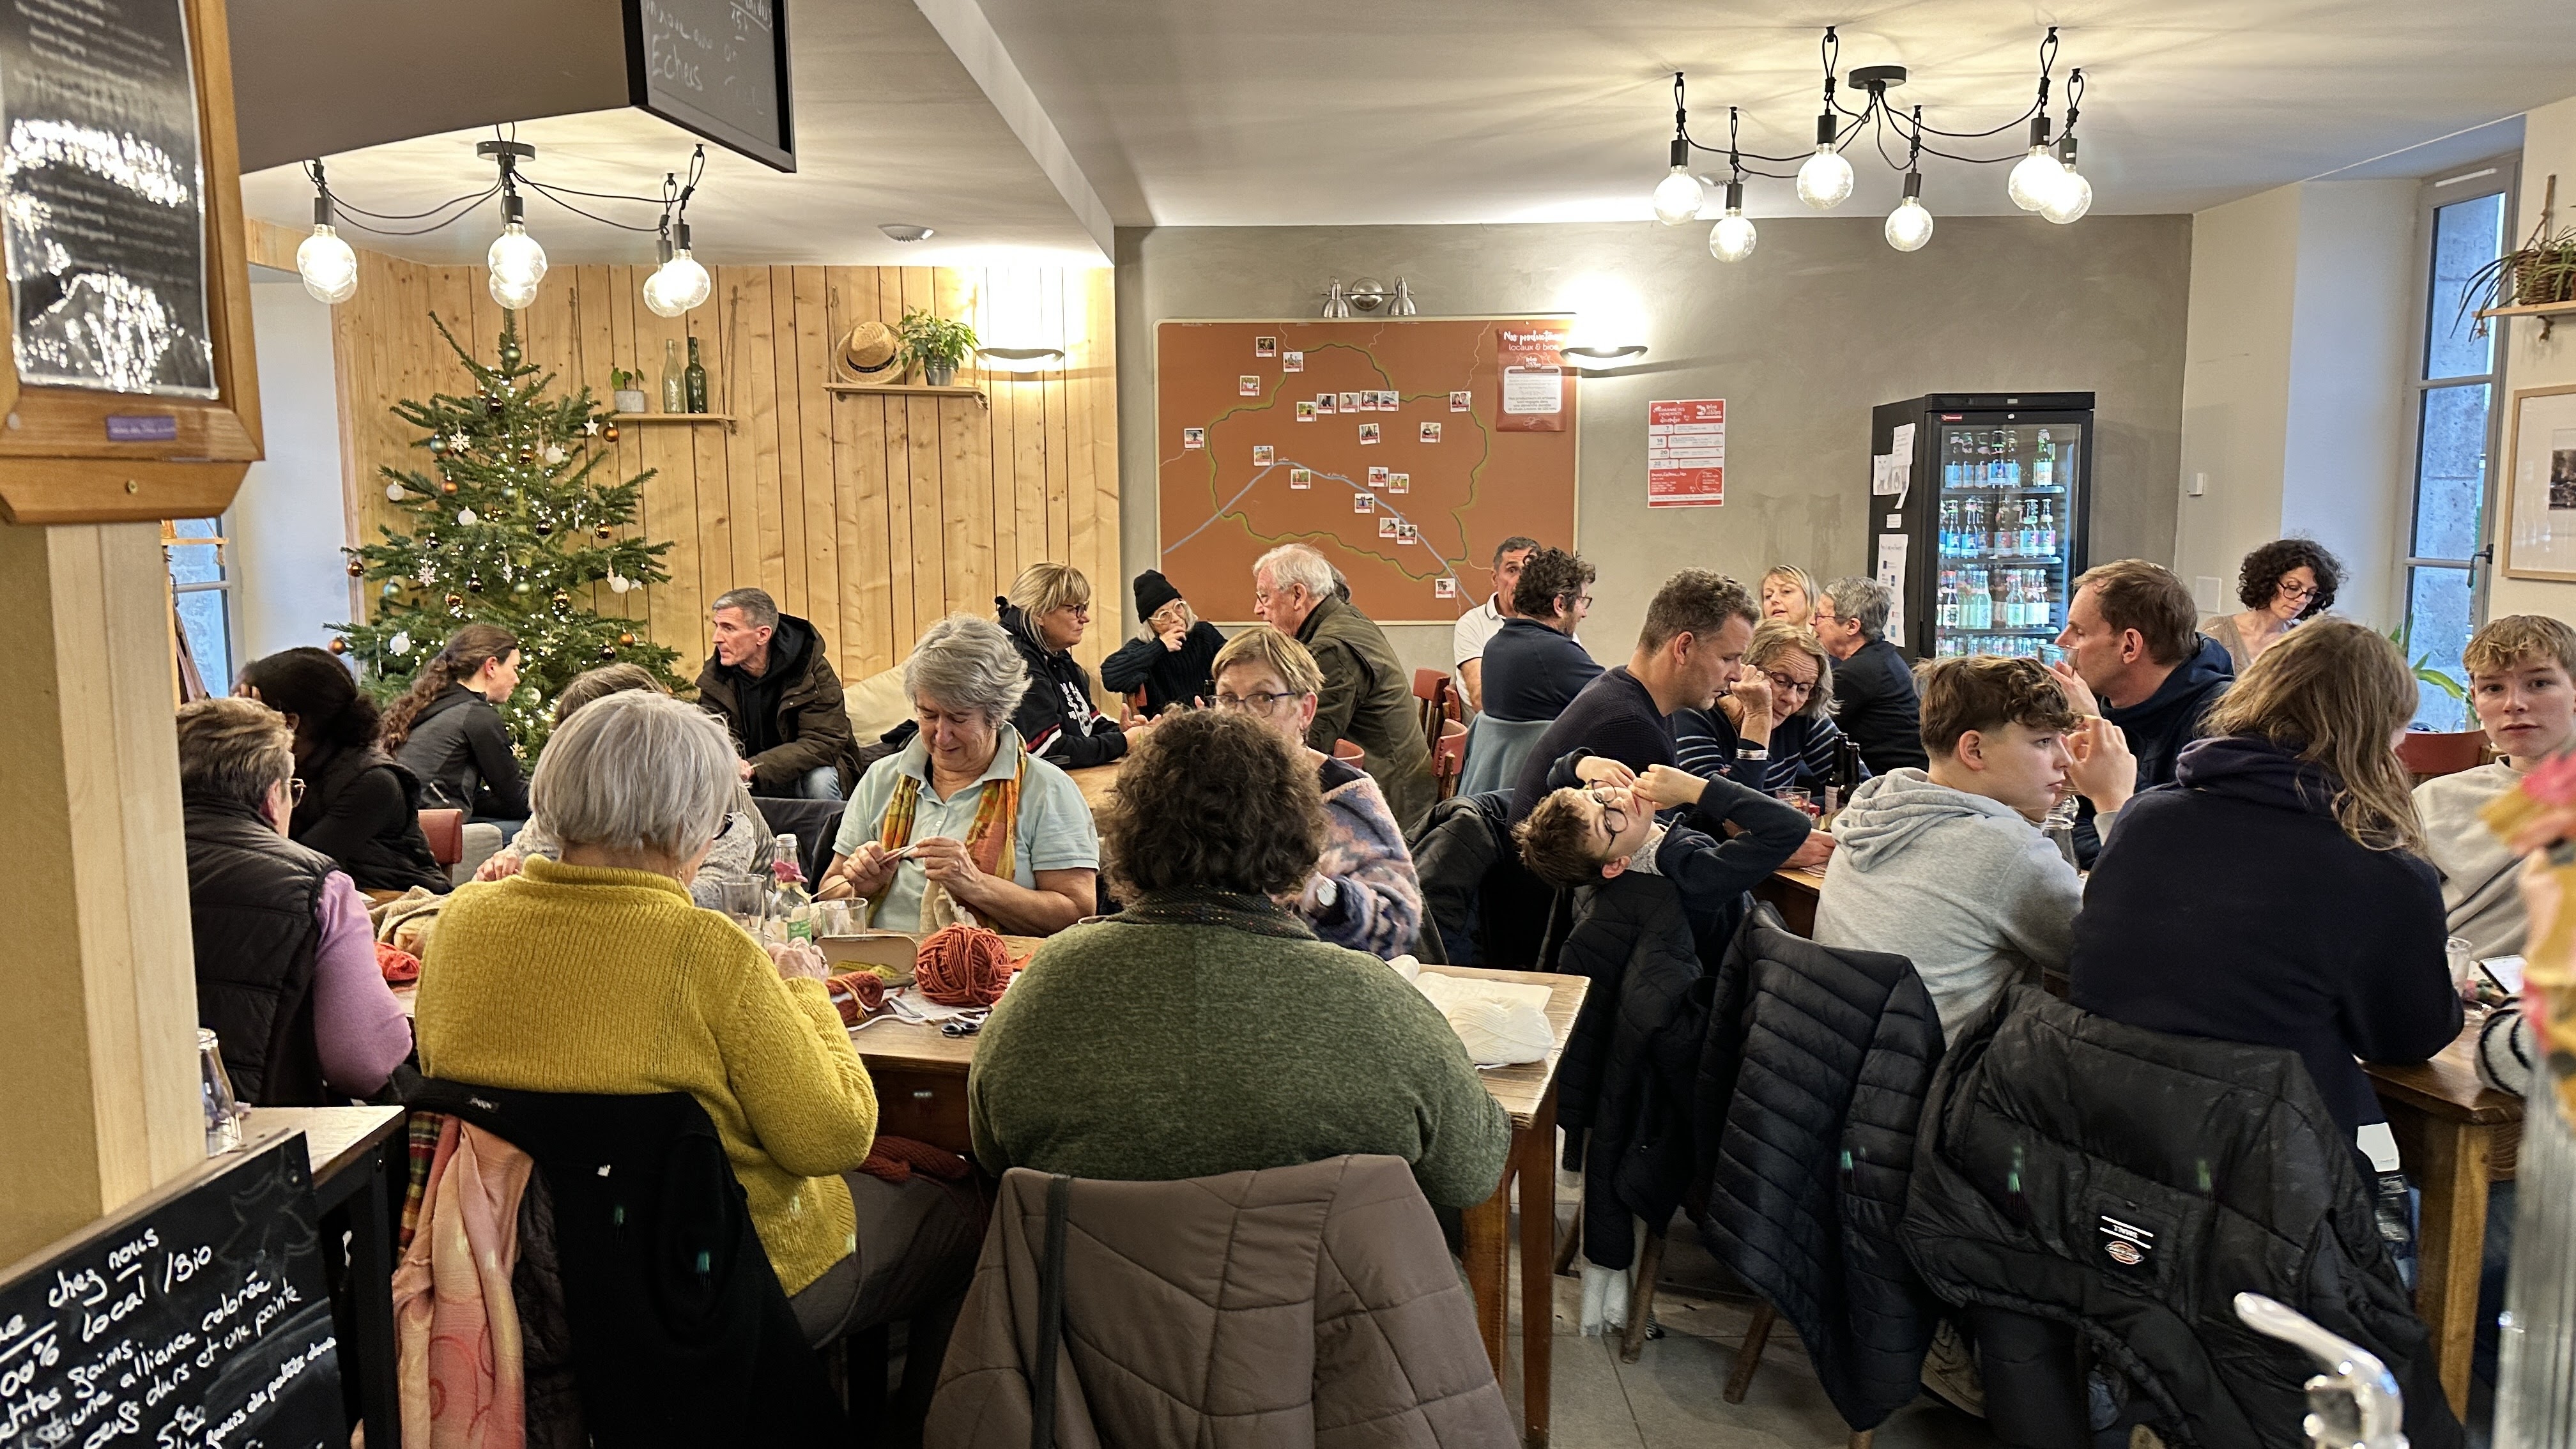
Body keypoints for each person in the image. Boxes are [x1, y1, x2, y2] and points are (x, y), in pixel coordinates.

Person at [415, 691, 981, 1354]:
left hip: (517, 1276)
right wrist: (804, 995)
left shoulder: (459, 925)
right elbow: (832, 1141)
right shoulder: (706, 950)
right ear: (684, 825)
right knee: (966, 1214)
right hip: (719, 1284)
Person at [966, 708, 1510, 1211]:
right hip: (1319, 1310)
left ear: (1127, 836)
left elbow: (991, 1150)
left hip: (1093, 1307)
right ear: (1298, 842)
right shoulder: (1378, 1005)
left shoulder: (1047, 986)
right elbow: (1474, 1171)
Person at [2069, 621, 2464, 1145]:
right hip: (2275, 1163)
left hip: (2110, 1131)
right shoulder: (2380, 867)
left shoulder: (2146, 818)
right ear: (2382, 734)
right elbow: (2407, 1039)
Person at [1815, 656, 2135, 1042]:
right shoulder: (2004, 852)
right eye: (2043, 741)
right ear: (1975, 750)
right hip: (1946, 1088)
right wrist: (2115, 803)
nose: (2065, 760)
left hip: (1850, 1068)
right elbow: (2124, 967)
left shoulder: (1875, 808)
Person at [179, 696, 413, 1106]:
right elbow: (365, 1063)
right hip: (266, 1141)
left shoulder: (106, 868)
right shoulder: (317, 884)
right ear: (273, 797)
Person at [817, 615, 1099, 936]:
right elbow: (828, 891)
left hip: (993, 976)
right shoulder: (882, 777)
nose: (941, 735)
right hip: (881, 965)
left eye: (958, 718)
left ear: (997, 713)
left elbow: (1077, 913)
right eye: (928, 715)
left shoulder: (1047, 790)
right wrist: (858, 887)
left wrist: (975, 884)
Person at [475, 663, 776, 908]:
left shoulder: (705, 783)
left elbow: (706, 898)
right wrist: (507, 868)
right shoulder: (583, 786)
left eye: (591, 741)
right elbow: (531, 849)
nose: (574, 756)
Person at [1209, 626, 1423, 957]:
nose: (1240, 715)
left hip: (1317, 976)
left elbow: (1398, 925)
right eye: (1227, 699)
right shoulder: (1202, 789)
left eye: (1263, 698)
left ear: (1305, 711)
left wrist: (1318, 892)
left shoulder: (1343, 795)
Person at [1508, 569, 1758, 823]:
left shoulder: (1626, 691)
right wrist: (1758, 722)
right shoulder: (1629, 725)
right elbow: (1723, 828)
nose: (1737, 675)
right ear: (1683, 648)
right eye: (1728, 658)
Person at [1514, 756, 1809, 951]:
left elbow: (1556, 775)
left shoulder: (1631, 840)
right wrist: (1697, 790)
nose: (1619, 800)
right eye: (1607, 822)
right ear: (1616, 865)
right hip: (1752, 966)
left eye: (1597, 795)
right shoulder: (1690, 872)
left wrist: (1584, 765)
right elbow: (1791, 826)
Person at [2050, 558, 2233, 864]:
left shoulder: (2222, 721)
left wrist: (2094, 728)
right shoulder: (2086, 698)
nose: (2061, 641)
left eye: (2079, 632)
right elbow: (2066, 821)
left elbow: (2185, 845)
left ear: (2130, 646)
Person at [2417, 615, 2576, 962]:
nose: (2514, 704)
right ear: (2475, 699)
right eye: (2494, 688)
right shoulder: (2436, 801)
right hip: (2449, 988)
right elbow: (2386, 916)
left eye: (2539, 684)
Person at [1252, 543, 1438, 831]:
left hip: (1393, 800)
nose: (1258, 610)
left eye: (1264, 597)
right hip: (1394, 781)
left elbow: (1311, 740)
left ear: (1298, 595)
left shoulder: (1332, 648)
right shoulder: (1341, 618)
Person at [236, 647, 447, 894]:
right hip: (336, 906)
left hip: (401, 910)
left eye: (250, 713)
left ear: (290, 723)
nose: (237, 722)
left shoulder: (374, 781)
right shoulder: (289, 767)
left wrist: (246, 739)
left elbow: (296, 865)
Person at [697, 586, 858, 801]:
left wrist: (754, 768)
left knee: (820, 781)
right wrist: (729, 761)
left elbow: (824, 741)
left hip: (805, 768)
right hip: (744, 770)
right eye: (717, 627)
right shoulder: (716, 675)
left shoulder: (811, 669)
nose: (717, 638)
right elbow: (710, 734)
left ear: (763, 635)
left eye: (729, 628)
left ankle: (834, 835)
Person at [1675, 621, 1851, 796]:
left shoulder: (1803, 711)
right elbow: (1726, 813)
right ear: (1745, 669)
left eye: (1804, 688)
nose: (1790, 698)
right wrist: (1758, 717)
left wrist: (1802, 810)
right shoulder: (1694, 714)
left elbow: (1860, 791)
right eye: (1781, 680)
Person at [383, 624, 529, 830]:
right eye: (515, 668)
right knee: (535, 835)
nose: (517, 679)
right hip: (424, 834)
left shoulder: (436, 703)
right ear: (491, 666)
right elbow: (517, 798)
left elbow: (469, 797)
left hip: (401, 825)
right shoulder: (476, 716)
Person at [997, 562, 1130, 767]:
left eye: (1084, 608)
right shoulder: (1015, 659)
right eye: (1075, 609)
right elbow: (1048, 751)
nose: (1085, 618)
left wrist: (1123, 731)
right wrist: (1123, 743)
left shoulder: (1054, 653)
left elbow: (1086, 722)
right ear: (1039, 613)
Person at [1812, 576, 1928, 775]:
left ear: (1852, 626)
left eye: (1820, 617)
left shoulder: (1859, 673)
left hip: (1890, 784)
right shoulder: (1881, 657)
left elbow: (1809, 724)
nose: (1812, 622)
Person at [1477, 545, 1601, 722]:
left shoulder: (1496, 645)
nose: (1583, 612)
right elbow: (1622, 701)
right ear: (1560, 605)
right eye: (1582, 601)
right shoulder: (1554, 652)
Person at [2204, 537, 2342, 673]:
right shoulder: (2219, 632)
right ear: (2268, 582)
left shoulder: (2304, 641)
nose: (2302, 600)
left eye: (2311, 593)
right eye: (2293, 588)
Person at [1100, 569, 1225, 716]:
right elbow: (1110, 676)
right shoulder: (1144, 646)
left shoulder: (1203, 634)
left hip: (1211, 720)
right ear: (1151, 624)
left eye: (1178, 607)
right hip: (1164, 727)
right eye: (1164, 615)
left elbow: (1232, 658)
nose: (1176, 618)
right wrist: (1160, 647)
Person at [1453, 535, 1540, 712]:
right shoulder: (1472, 624)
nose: (1522, 581)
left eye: (1530, 572)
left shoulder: (1550, 621)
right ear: (1495, 578)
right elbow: (1481, 700)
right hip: (1492, 729)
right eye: (1512, 571)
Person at [1760, 564, 1817, 628]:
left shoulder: (1827, 637)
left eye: (1786, 591)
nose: (1773, 599)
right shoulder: (1752, 637)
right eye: (1768, 596)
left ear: (1808, 598)